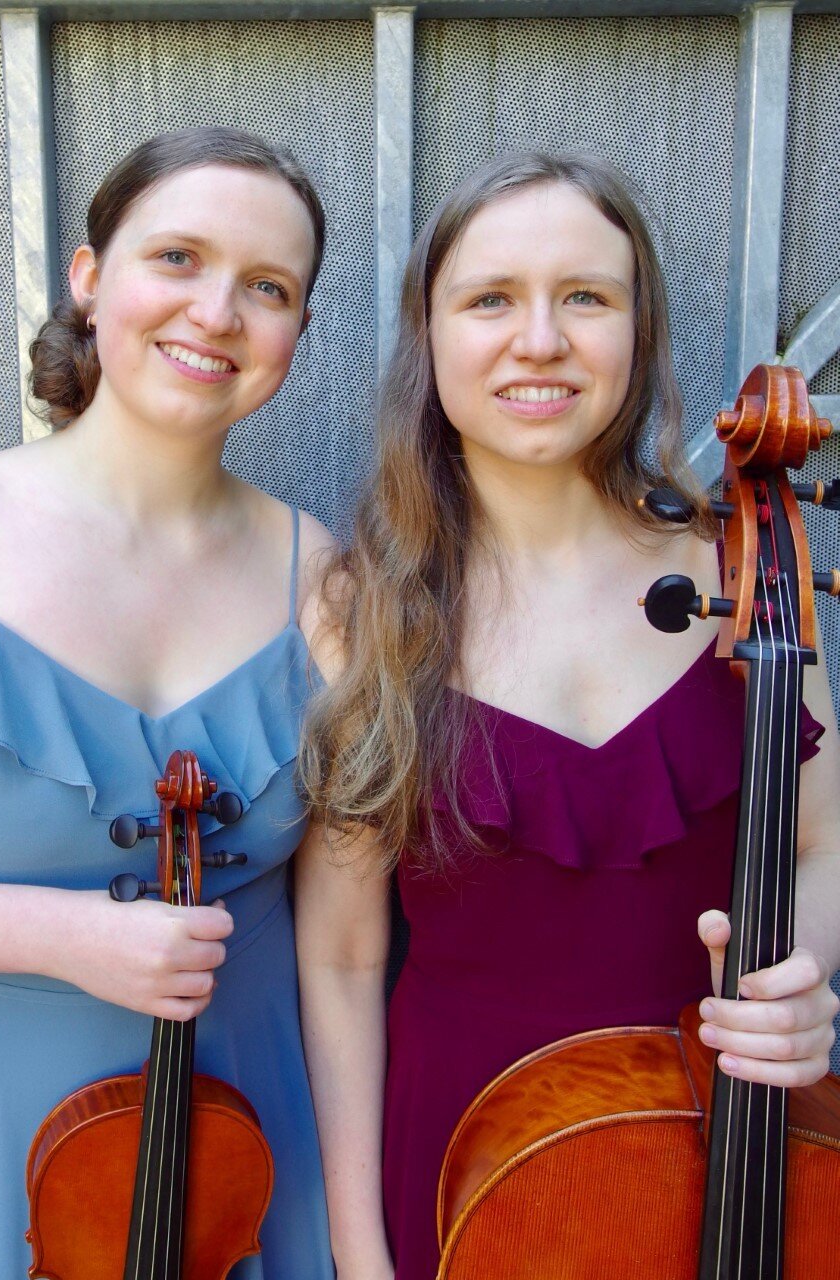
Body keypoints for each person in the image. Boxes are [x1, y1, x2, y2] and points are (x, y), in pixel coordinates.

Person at [0, 126, 336, 1279]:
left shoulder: (321, 574)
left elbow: (349, 933)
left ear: (296, 332)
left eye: (267, 286)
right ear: (92, 279)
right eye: (177, 257)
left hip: (249, 1155)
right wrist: (65, 933)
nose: (216, 311)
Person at [295, 151, 840, 1280]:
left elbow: (823, 842)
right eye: (490, 298)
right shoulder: (367, 611)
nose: (537, 339)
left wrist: (806, 980)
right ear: (430, 337)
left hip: (724, 1141)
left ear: (637, 333)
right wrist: (359, 1249)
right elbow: (344, 956)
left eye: (585, 297)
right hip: (460, 1161)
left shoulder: (744, 571)